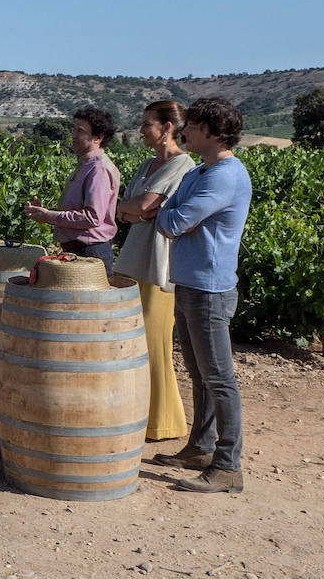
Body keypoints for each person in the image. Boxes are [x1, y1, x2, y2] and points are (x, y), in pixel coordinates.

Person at [152, 97, 253, 494]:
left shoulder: (224, 176)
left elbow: (173, 219)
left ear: (213, 131)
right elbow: (171, 213)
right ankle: (200, 447)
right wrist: (168, 215)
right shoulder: (200, 173)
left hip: (210, 289)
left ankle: (228, 466)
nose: (185, 131)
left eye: (192, 125)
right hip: (191, 284)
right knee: (200, 374)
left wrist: (167, 215)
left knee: (219, 378)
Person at [113, 101, 195, 441]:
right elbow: (125, 209)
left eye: (148, 124)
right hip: (135, 259)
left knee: (155, 344)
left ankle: (165, 423)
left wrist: (137, 209)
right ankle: (142, 417)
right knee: (134, 343)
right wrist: (135, 209)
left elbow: (143, 207)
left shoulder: (183, 164)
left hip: (160, 265)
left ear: (168, 127)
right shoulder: (148, 164)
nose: (142, 130)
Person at [23, 106, 121, 274]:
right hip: (80, 251)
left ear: (98, 137)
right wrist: (44, 214)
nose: (73, 135)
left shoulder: (98, 169)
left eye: (80, 131)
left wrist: (49, 216)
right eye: (74, 129)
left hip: (90, 253)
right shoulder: (85, 166)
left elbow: (92, 218)